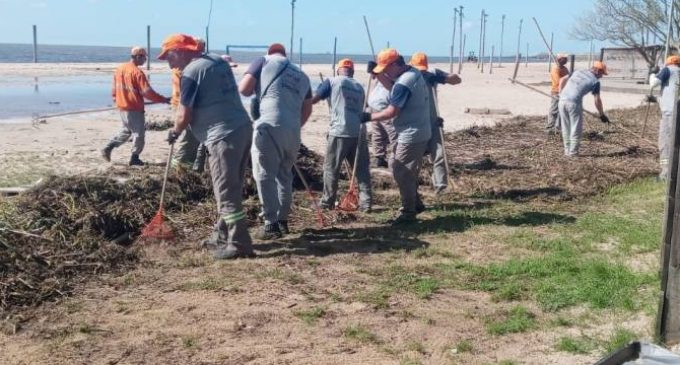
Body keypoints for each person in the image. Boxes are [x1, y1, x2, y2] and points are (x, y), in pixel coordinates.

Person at [160, 34, 254, 260]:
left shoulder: (190, 73)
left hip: (222, 136)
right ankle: (220, 235)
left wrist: (175, 131)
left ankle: (239, 243)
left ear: (182, 51)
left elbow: (184, 113)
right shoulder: (218, 62)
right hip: (241, 128)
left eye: (169, 56)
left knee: (225, 190)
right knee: (230, 186)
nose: (169, 62)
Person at [238, 43, 313, 239]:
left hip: (269, 125)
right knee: (285, 175)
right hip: (293, 131)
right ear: (285, 54)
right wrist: (294, 125)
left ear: (270, 52)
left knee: (264, 174)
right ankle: (283, 221)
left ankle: (270, 224)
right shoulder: (302, 75)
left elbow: (244, 89)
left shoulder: (263, 61)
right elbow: (307, 109)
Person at [364, 49, 431, 224]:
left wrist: (368, 117)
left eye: (386, 68)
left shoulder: (404, 82)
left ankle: (408, 212)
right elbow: (393, 88)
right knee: (397, 165)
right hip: (418, 130)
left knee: (402, 171)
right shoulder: (412, 71)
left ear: (395, 64)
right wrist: (377, 74)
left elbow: (391, 111)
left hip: (411, 134)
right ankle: (415, 203)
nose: (385, 72)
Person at [311, 58, 372, 212]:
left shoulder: (331, 81)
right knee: (362, 170)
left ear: (338, 69)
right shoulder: (360, 86)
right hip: (359, 132)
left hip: (340, 131)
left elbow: (315, 98)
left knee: (331, 168)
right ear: (351, 71)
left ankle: (327, 202)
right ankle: (366, 203)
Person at [102, 46, 170, 165]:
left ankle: (108, 147)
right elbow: (147, 92)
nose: (145, 60)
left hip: (122, 106)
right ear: (138, 57)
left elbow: (114, 89)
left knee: (127, 131)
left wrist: (116, 100)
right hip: (133, 108)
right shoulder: (137, 73)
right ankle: (134, 158)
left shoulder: (120, 69)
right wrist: (163, 99)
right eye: (144, 57)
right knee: (139, 134)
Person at [408, 52, 461, 194]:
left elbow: (457, 80)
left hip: (432, 119)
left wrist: (441, 78)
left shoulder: (432, 73)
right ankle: (411, 188)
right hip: (416, 122)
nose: (422, 72)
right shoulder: (408, 76)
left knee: (439, 154)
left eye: (423, 69)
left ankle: (441, 186)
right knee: (415, 157)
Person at [557, 61, 610, 157]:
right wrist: (602, 115)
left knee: (566, 127)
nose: (602, 76)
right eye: (602, 73)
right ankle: (573, 153)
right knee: (576, 129)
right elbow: (597, 100)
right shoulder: (595, 81)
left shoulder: (578, 71)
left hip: (562, 101)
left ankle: (567, 151)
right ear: (597, 70)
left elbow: (562, 80)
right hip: (574, 103)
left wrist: (560, 94)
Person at [650, 55, 680, 180]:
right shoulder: (677, 73)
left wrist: (652, 73)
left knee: (664, 144)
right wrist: (656, 99)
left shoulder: (668, 70)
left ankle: (665, 173)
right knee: (676, 143)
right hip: (676, 112)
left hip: (669, 115)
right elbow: (672, 94)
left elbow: (653, 84)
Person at [546, 54, 570, 134]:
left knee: (562, 111)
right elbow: (558, 82)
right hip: (556, 92)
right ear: (559, 59)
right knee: (554, 110)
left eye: (566, 59)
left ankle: (558, 128)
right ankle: (550, 128)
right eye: (564, 58)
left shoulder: (565, 69)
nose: (566, 60)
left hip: (565, 93)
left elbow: (569, 78)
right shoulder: (555, 69)